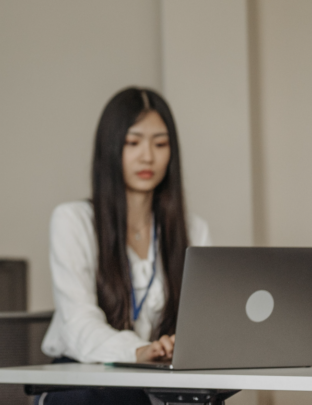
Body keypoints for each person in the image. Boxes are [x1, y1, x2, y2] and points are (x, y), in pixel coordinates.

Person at [39, 88, 211, 405]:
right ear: (110, 148)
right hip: (86, 377)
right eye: (133, 143)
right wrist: (136, 350)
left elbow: (206, 321)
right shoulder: (73, 221)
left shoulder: (193, 230)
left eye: (160, 144)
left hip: (158, 379)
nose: (148, 156)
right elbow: (79, 323)